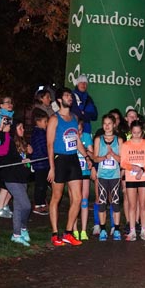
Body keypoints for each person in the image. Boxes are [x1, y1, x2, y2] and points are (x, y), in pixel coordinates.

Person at [47, 87, 92, 246]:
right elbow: (49, 144)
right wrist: (52, 167)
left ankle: (68, 233)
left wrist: (86, 156)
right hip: (59, 159)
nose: (70, 98)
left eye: (70, 96)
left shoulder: (74, 118)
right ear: (60, 100)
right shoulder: (54, 119)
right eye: (67, 95)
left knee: (78, 198)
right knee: (56, 197)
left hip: (73, 159)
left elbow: (77, 141)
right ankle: (55, 234)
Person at [0, 119, 33, 246]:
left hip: (22, 177)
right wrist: (2, 130)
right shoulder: (8, 139)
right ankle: (23, 228)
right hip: (11, 178)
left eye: (23, 127)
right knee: (26, 205)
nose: (23, 130)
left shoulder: (22, 142)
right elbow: (2, 151)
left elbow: (24, 158)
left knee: (18, 207)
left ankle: (16, 235)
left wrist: (27, 160)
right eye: (20, 128)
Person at [120, 120, 145, 241]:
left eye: (139, 132)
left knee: (143, 204)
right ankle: (132, 230)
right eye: (134, 132)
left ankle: (144, 229)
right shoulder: (126, 145)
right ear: (131, 132)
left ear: (142, 132)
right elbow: (123, 162)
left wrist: (142, 170)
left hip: (143, 177)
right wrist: (132, 167)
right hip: (130, 178)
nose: (136, 135)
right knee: (132, 205)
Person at [94, 114, 124, 241]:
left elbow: (122, 160)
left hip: (115, 176)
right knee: (102, 203)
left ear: (114, 125)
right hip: (102, 175)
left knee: (115, 202)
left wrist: (112, 153)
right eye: (105, 124)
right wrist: (104, 157)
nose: (107, 126)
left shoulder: (119, 140)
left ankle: (116, 229)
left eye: (109, 123)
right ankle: (102, 230)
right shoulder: (98, 139)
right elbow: (95, 158)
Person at [72, 117, 93, 240]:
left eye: (80, 130)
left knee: (84, 200)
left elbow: (92, 153)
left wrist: (85, 151)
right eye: (76, 130)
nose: (78, 133)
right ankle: (74, 229)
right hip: (73, 173)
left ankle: (83, 230)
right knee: (75, 200)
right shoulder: (70, 137)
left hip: (84, 171)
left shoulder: (86, 136)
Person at [30, 110, 50, 215]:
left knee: (43, 184)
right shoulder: (40, 133)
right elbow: (43, 148)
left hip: (43, 163)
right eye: (45, 121)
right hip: (40, 163)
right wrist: (49, 154)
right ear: (38, 122)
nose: (47, 124)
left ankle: (42, 202)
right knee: (40, 185)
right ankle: (38, 204)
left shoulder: (39, 132)